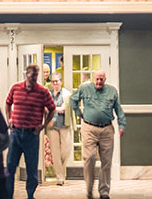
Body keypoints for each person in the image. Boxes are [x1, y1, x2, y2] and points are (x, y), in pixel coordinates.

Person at [71, 70, 126, 199]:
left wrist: (121, 125)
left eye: (101, 79)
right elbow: (73, 100)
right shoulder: (85, 89)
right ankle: (89, 190)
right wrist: (78, 113)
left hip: (106, 129)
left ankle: (104, 191)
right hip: (89, 128)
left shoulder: (112, 91)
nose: (99, 82)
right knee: (89, 158)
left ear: (105, 80)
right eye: (97, 79)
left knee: (106, 161)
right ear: (93, 79)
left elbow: (118, 109)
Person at [4, 63, 55, 199]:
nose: (33, 79)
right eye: (31, 75)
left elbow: (52, 109)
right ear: (26, 74)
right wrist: (9, 119)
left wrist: (43, 126)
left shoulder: (43, 91)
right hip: (15, 134)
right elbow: (8, 103)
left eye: (35, 76)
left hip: (32, 135)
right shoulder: (15, 88)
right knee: (9, 167)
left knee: (32, 170)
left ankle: (30, 195)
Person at [45, 73, 73, 186]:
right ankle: (60, 177)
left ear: (61, 81)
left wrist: (54, 109)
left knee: (66, 150)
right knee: (55, 152)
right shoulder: (48, 94)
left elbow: (66, 109)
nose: (55, 83)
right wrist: (57, 109)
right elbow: (46, 108)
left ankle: (61, 171)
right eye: (53, 81)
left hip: (64, 125)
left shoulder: (67, 94)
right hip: (52, 125)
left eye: (57, 81)